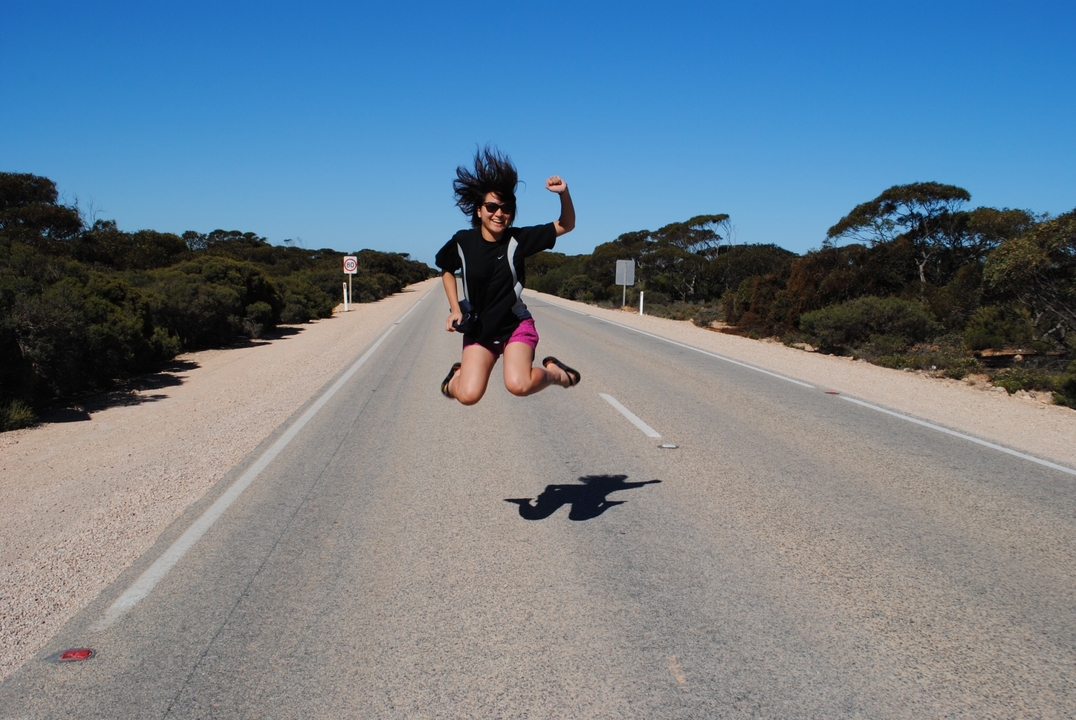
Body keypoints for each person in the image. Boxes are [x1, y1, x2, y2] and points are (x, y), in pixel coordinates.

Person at [436, 147, 580, 405]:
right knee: (468, 396)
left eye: (506, 208)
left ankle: (554, 374)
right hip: (480, 328)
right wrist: (455, 308)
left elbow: (567, 224)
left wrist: (564, 193)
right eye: (491, 206)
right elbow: (446, 268)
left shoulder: (519, 240)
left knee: (518, 384)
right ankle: (456, 378)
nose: (499, 213)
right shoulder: (463, 241)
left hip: (515, 325)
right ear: (478, 210)